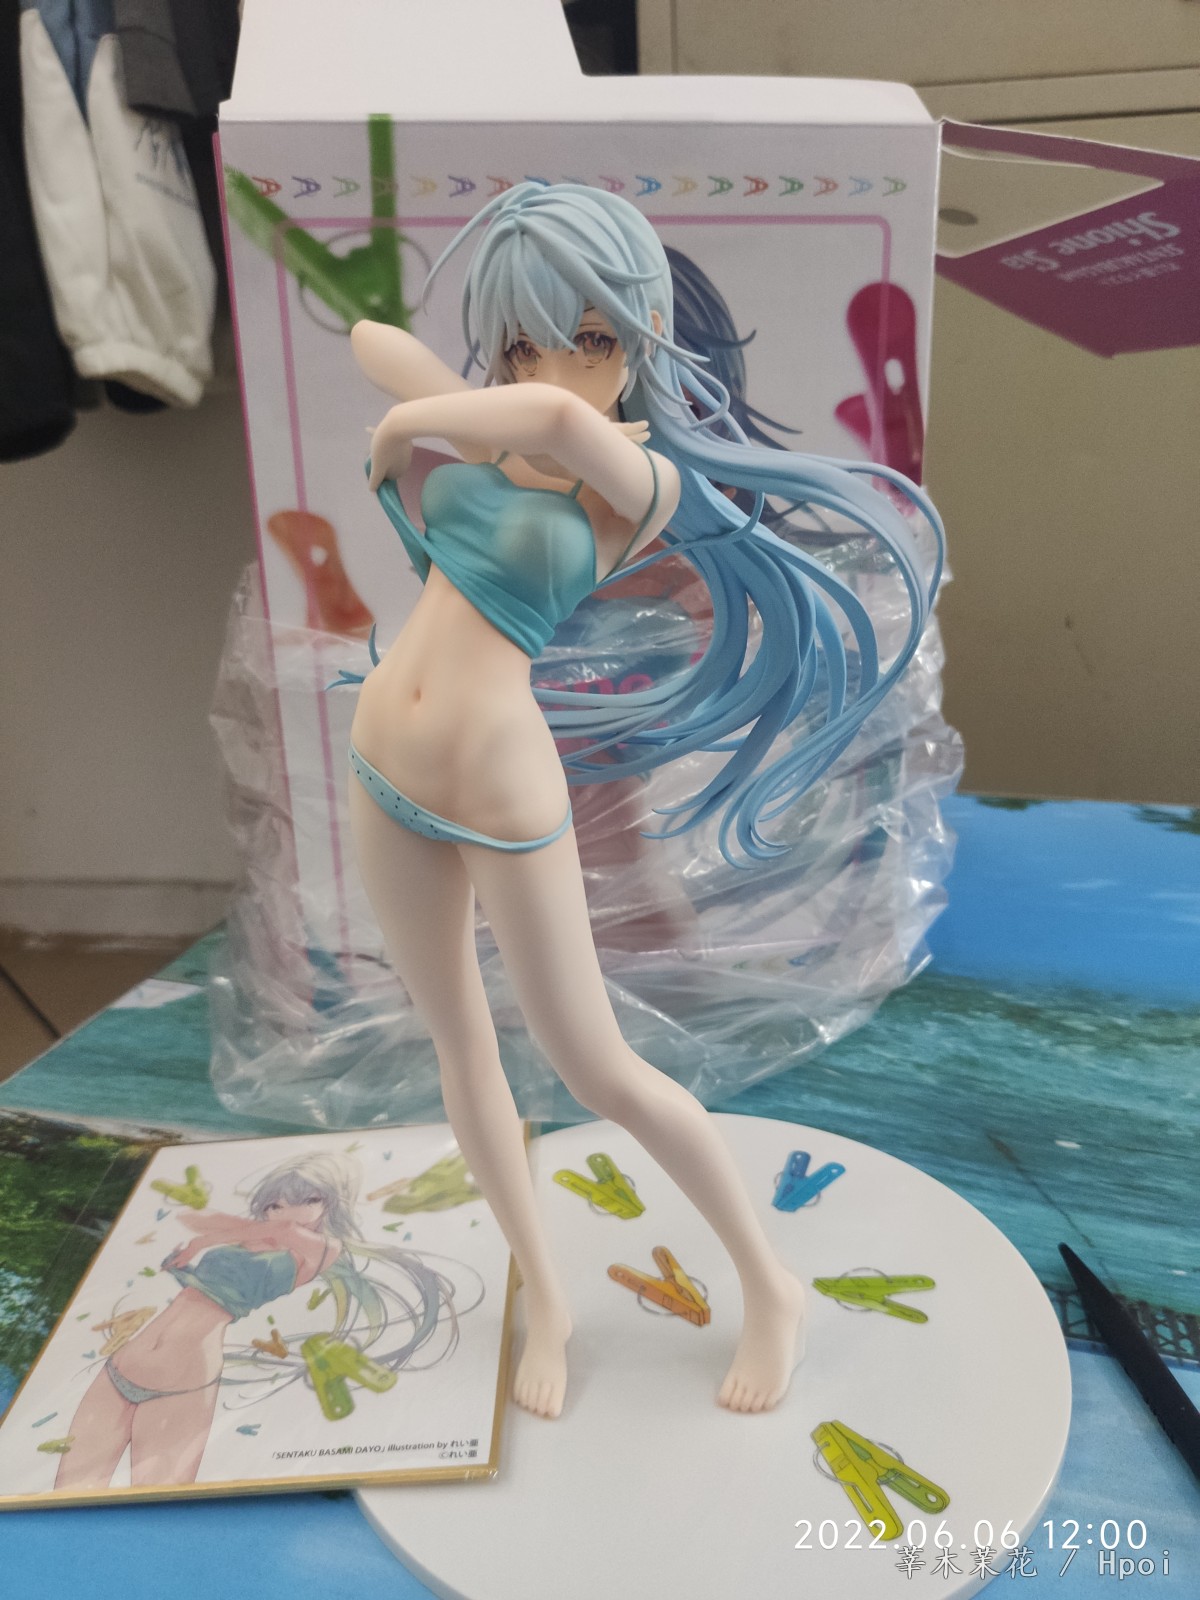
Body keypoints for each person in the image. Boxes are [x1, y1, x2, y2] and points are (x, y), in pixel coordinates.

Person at [341, 182, 944, 1418]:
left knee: (597, 1064)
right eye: (523, 339)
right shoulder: (501, 430)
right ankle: (547, 1297)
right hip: (382, 762)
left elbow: (555, 417)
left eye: (592, 334)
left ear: (642, 331)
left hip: (498, 779)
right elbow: (370, 338)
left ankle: (769, 1283)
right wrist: (424, 414)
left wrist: (410, 427)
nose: (557, 365)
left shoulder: (640, 480)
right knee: (458, 1044)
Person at [55, 1153, 462, 1487]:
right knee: (66, 1490)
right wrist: (205, 1240)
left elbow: (217, 1226)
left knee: (157, 1509)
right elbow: (196, 1220)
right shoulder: (253, 1235)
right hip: (123, 1364)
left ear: (329, 1204)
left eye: (306, 1200)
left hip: (181, 1382)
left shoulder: (322, 1248)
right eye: (275, 1204)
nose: (287, 1212)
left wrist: (205, 1240)